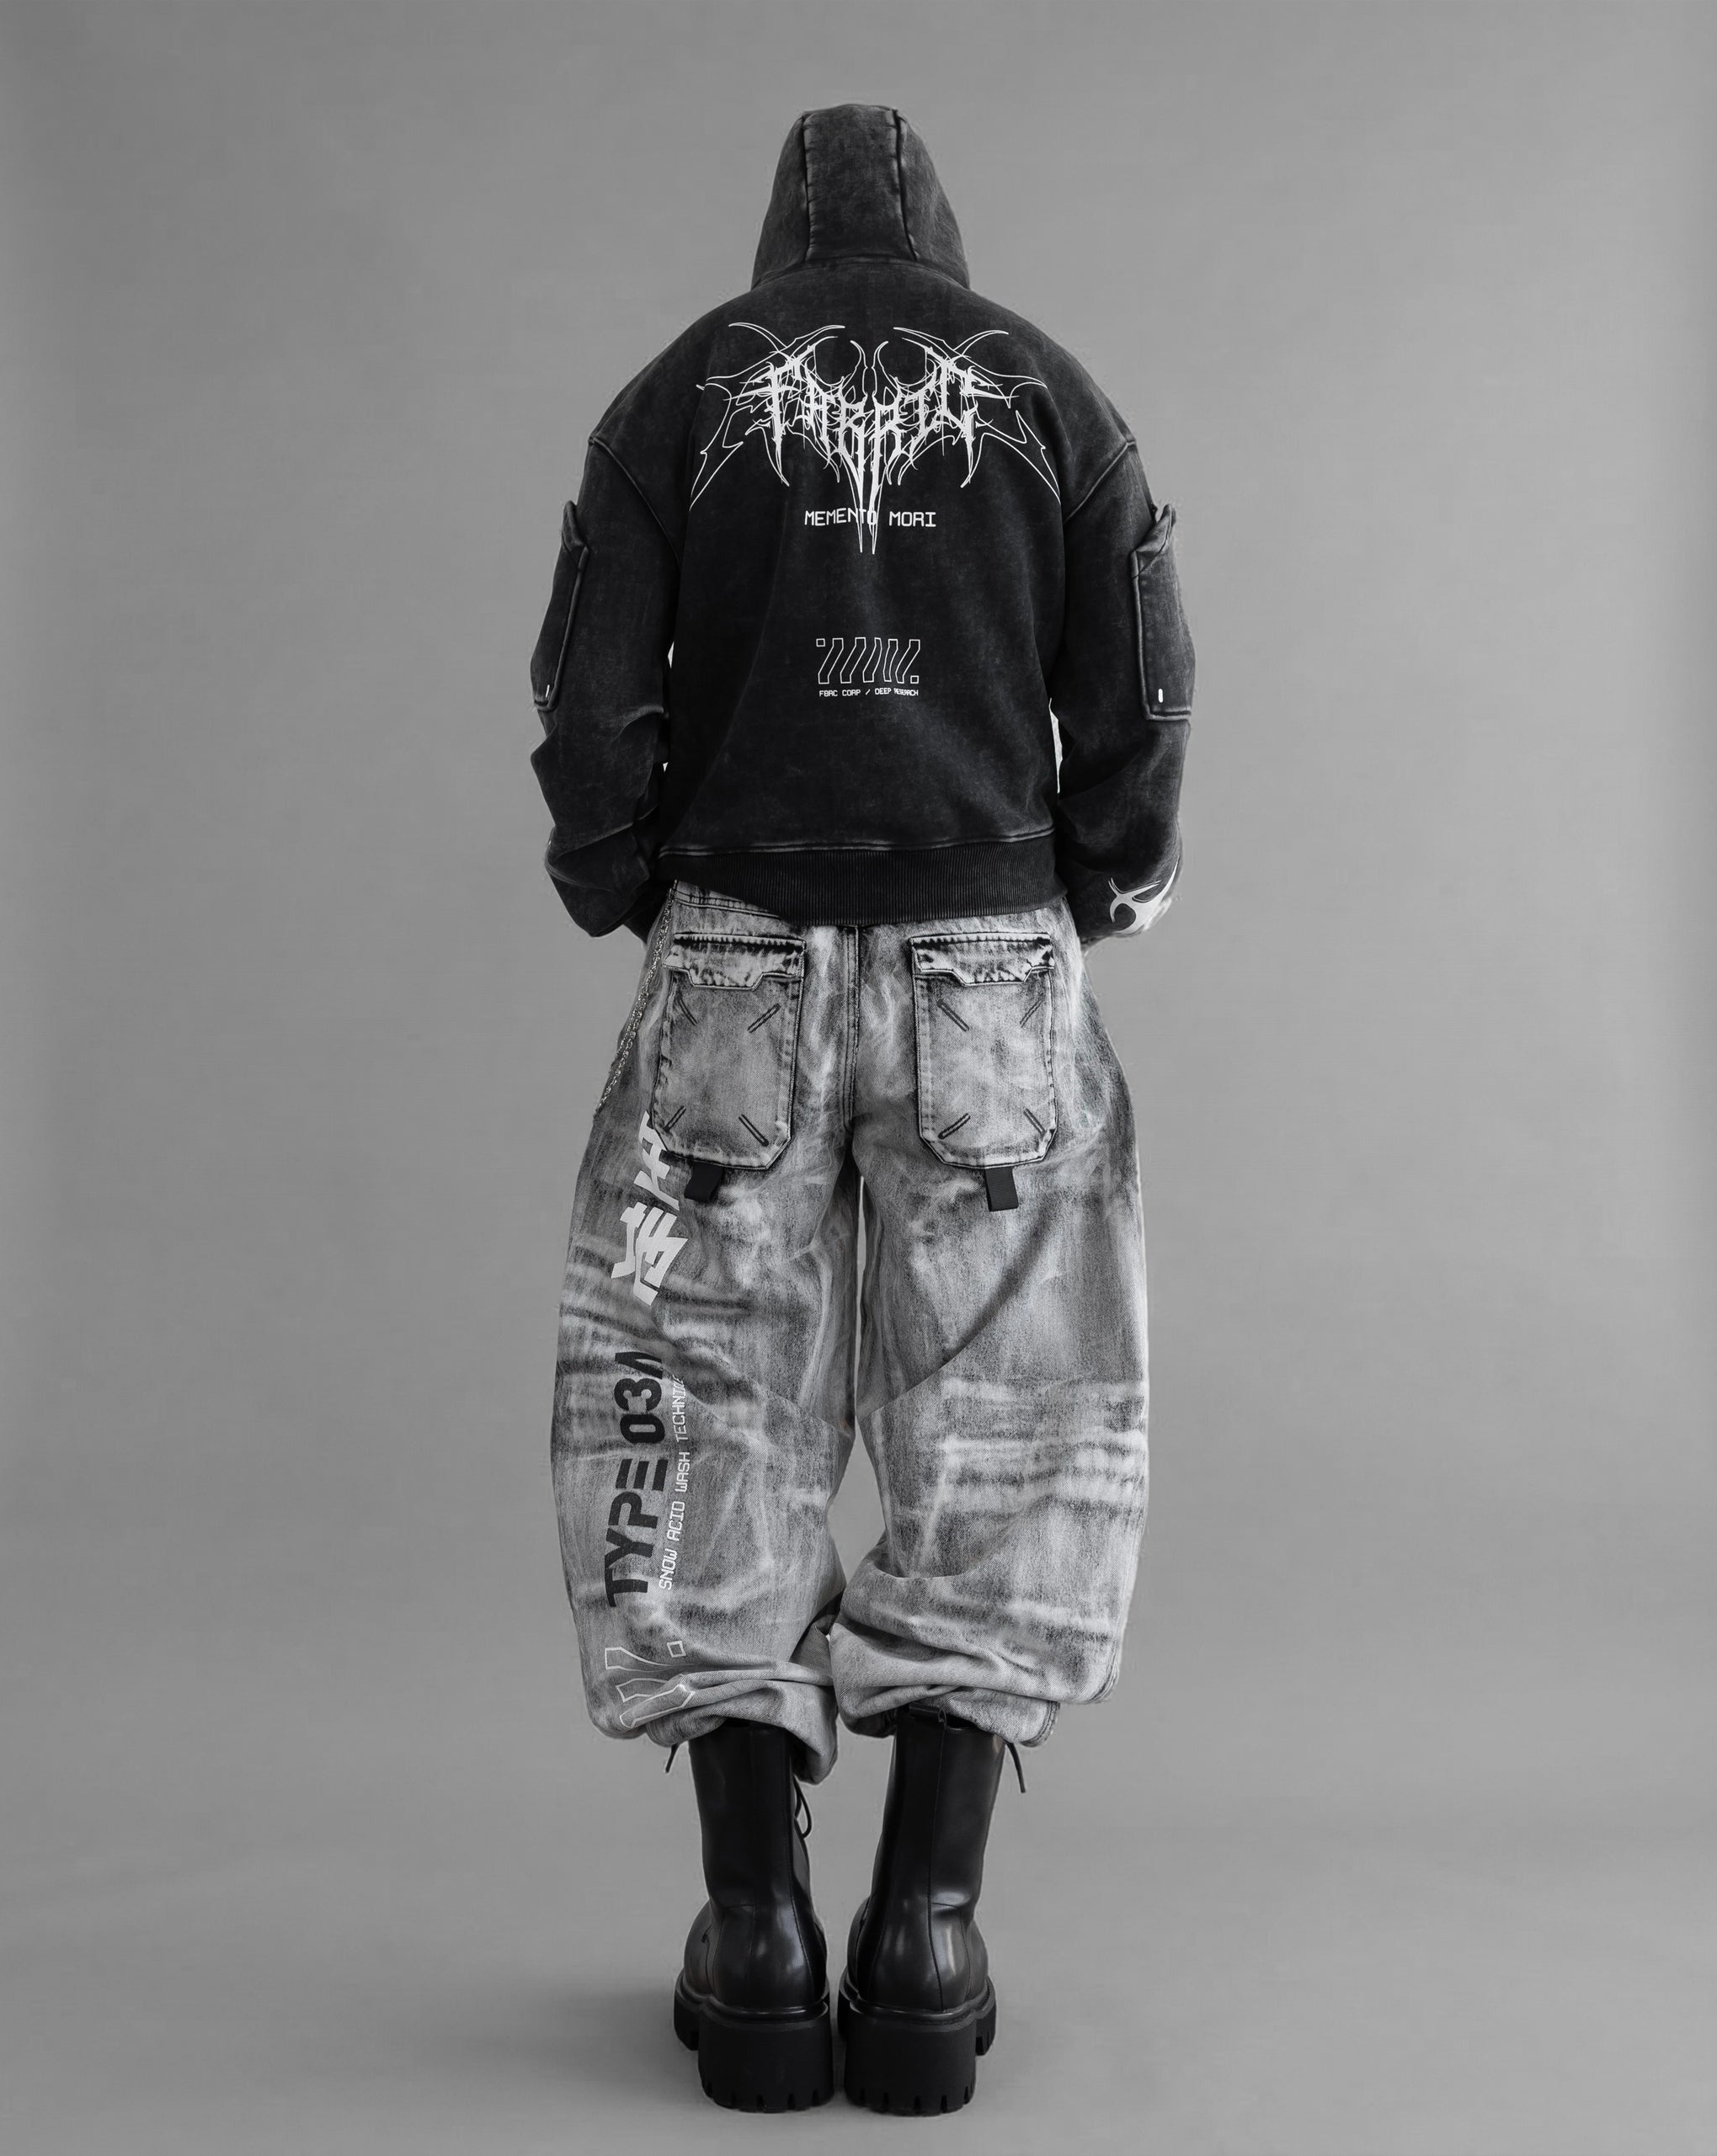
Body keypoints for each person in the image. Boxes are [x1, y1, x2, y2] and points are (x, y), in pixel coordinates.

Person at [526, 103, 1194, 2116]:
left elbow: (586, 689)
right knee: (1015, 1420)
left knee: (694, 1395)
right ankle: (928, 1938)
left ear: (777, 230)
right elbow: (1144, 673)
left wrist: (622, 874)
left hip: (730, 960)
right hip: (993, 969)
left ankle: (754, 1937)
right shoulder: (1049, 391)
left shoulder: (677, 393)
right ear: (942, 231)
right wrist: (1097, 882)